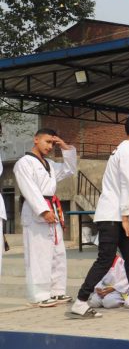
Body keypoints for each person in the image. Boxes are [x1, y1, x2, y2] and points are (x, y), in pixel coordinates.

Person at [72, 114, 129, 318]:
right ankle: (80, 301)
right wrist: (126, 218)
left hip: (119, 216)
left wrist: (127, 218)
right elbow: (126, 185)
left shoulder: (126, 150)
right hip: (114, 217)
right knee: (105, 259)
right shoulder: (127, 151)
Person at [14, 127, 77, 307]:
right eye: (47, 142)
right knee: (38, 254)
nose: (50, 146)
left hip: (52, 208)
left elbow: (69, 169)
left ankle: (57, 291)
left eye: (52, 143)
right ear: (36, 139)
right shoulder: (24, 163)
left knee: (57, 252)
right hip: (37, 210)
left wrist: (64, 147)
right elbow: (29, 188)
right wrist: (43, 210)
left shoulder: (49, 164)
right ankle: (39, 295)